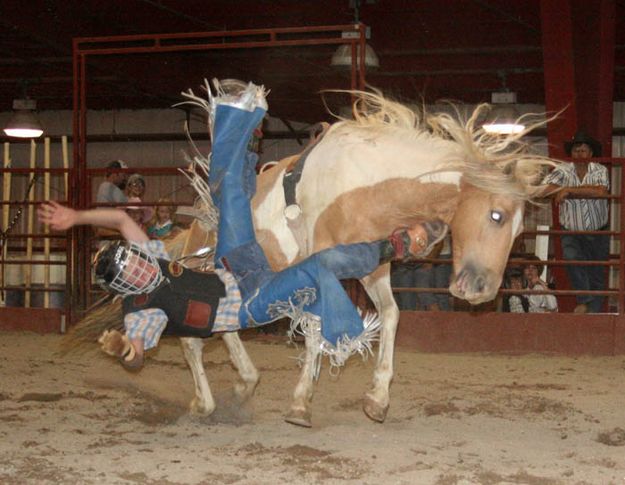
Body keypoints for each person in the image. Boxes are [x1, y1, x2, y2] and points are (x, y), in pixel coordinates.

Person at [39, 80, 448, 370]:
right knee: (321, 266)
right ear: (129, 287)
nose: (142, 264)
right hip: (253, 303)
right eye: (134, 271)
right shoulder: (142, 309)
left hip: (233, 264)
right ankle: (393, 247)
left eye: (134, 260)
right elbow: (139, 351)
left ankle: (241, 120)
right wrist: (125, 350)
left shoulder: (148, 258)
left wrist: (75, 217)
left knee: (231, 196)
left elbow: (116, 219)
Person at [541, 131, 609, 313]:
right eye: (576, 150)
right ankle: (584, 300)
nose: (580, 154)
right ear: (571, 154)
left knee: (597, 272)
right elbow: (545, 189)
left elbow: (600, 191)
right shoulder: (563, 169)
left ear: (591, 154)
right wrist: (562, 189)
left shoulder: (600, 169)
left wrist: (568, 190)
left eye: (583, 150)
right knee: (571, 259)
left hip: (598, 230)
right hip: (571, 230)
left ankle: (592, 312)